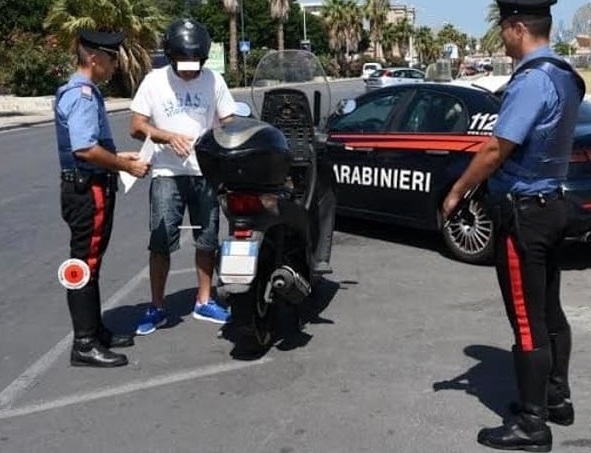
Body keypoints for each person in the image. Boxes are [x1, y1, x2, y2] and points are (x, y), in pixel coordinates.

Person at [442, 1, 585, 451]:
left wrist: (456, 192)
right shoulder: (566, 75)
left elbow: (495, 149)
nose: (501, 38)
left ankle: (533, 423)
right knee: (550, 313)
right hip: (554, 204)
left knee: (527, 321)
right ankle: (556, 400)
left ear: (518, 27)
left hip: (525, 213)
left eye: (503, 29)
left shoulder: (531, 80)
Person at [129, 19, 236, 335]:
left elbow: (228, 119)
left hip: (205, 173)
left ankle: (204, 301)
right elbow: (136, 126)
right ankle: (156, 307)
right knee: (161, 242)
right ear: (171, 56)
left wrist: (232, 131)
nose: (191, 71)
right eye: (184, 64)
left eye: (196, 64)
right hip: (167, 174)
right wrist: (165, 136)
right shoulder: (153, 81)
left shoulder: (213, 81)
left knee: (207, 239)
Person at [55, 30, 151, 367]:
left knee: (91, 262)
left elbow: (87, 146)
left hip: (88, 183)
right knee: (86, 264)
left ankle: (95, 331)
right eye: (111, 59)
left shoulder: (83, 92)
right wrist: (124, 164)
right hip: (87, 189)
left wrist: (117, 155)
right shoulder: (81, 95)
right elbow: (84, 148)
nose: (115, 66)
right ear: (95, 58)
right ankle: (84, 344)